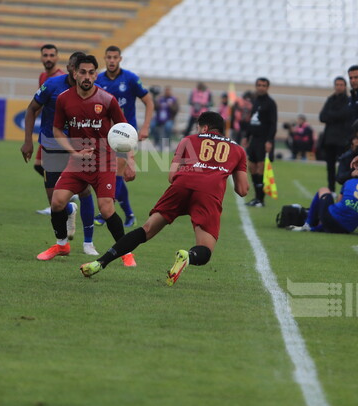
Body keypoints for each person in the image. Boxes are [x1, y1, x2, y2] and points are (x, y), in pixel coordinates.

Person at [79, 111, 248, 286]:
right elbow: (243, 190)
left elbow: (172, 176)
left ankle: (101, 262)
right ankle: (187, 256)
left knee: (147, 229)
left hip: (181, 185)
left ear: (204, 127)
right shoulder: (238, 150)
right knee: (204, 250)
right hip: (208, 193)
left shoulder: (188, 140)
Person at [39, 54, 130, 262]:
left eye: (91, 73)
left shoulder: (108, 100)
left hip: (104, 162)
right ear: (74, 73)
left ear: (96, 75)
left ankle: (126, 252)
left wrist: (128, 160)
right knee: (57, 202)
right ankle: (62, 245)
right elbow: (57, 129)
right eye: (82, 72)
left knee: (106, 208)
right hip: (77, 161)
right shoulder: (64, 99)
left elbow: (123, 130)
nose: (87, 77)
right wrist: (73, 152)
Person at [21, 52, 104, 260]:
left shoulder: (89, 90)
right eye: (74, 68)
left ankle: (88, 243)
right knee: (54, 200)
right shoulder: (52, 85)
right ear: (71, 69)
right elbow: (32, 109)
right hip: (52, 145)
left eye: (81, 70)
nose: (76, 72)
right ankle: (69, 212)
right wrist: (28, 141)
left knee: (85, 191)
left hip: (78, 145)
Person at [94, 45, 154, 229]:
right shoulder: (98, 79)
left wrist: (145, 127)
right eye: (109, 57)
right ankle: (129, 214)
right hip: (104, 132)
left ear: (120, 59)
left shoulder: (130, 79)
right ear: (105, 59)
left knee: (117, 171)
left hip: (125, 134)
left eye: (115, 57)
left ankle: (106, 212)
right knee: (109, 175)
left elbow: (148, 101)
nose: (112, 60)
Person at [32, 44, 67, 204]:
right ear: (41, 57)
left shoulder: (60, 79)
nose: (48, 58)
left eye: (51, 55)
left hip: (58, 135)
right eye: (45, 55)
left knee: (49, 168)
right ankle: (62, 196)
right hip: (47, 132)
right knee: (39, 165)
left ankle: (60, 199)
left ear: (57, 57)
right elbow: (39, 103)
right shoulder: (42, 77)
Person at [290, 177, 358, 235]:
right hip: (346, 229)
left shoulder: (350, 181)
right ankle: (316, 227)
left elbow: (339, 202)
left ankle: (308, 224)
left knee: (323, 190)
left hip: (330, 219)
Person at [242, 77, 277, 207]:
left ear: (267, 87)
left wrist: (269, 140)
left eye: (264, 85)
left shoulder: (270, 103)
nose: (261, 87)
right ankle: (256, 198)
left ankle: (261, 199)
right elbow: (251, 120)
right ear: (256, 86)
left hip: (263, 141)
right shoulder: (255, 101)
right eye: (259, 85)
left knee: (260, 169)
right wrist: (246, 136)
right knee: (251, 167)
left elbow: (273, 124)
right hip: (254, 140)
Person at [319, 77, 352, 189]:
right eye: (337, 84)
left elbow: (345, 115)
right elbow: (322, 117)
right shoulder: (330, 99)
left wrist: (331, 115)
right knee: (330, 167)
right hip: (329, 139)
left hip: (342, 140)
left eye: (341, 85)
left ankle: (344, 190)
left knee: (344, 166)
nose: (339, 87)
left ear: (345, 86)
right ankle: (331, 189)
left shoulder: (348, 100)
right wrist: (335, 115)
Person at [151, 86, 179, 152]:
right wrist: (154, 98)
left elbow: (176, 110)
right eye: (166, 91)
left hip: (169, 119)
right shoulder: (161, 99)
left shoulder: (174, 99)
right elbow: (155, 107)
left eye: (168, 91)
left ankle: (167, 143)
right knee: (152, 125)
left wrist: (171, 106)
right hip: (158, 119)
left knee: (168, 127)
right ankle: (156, 141)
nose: (167, 92)